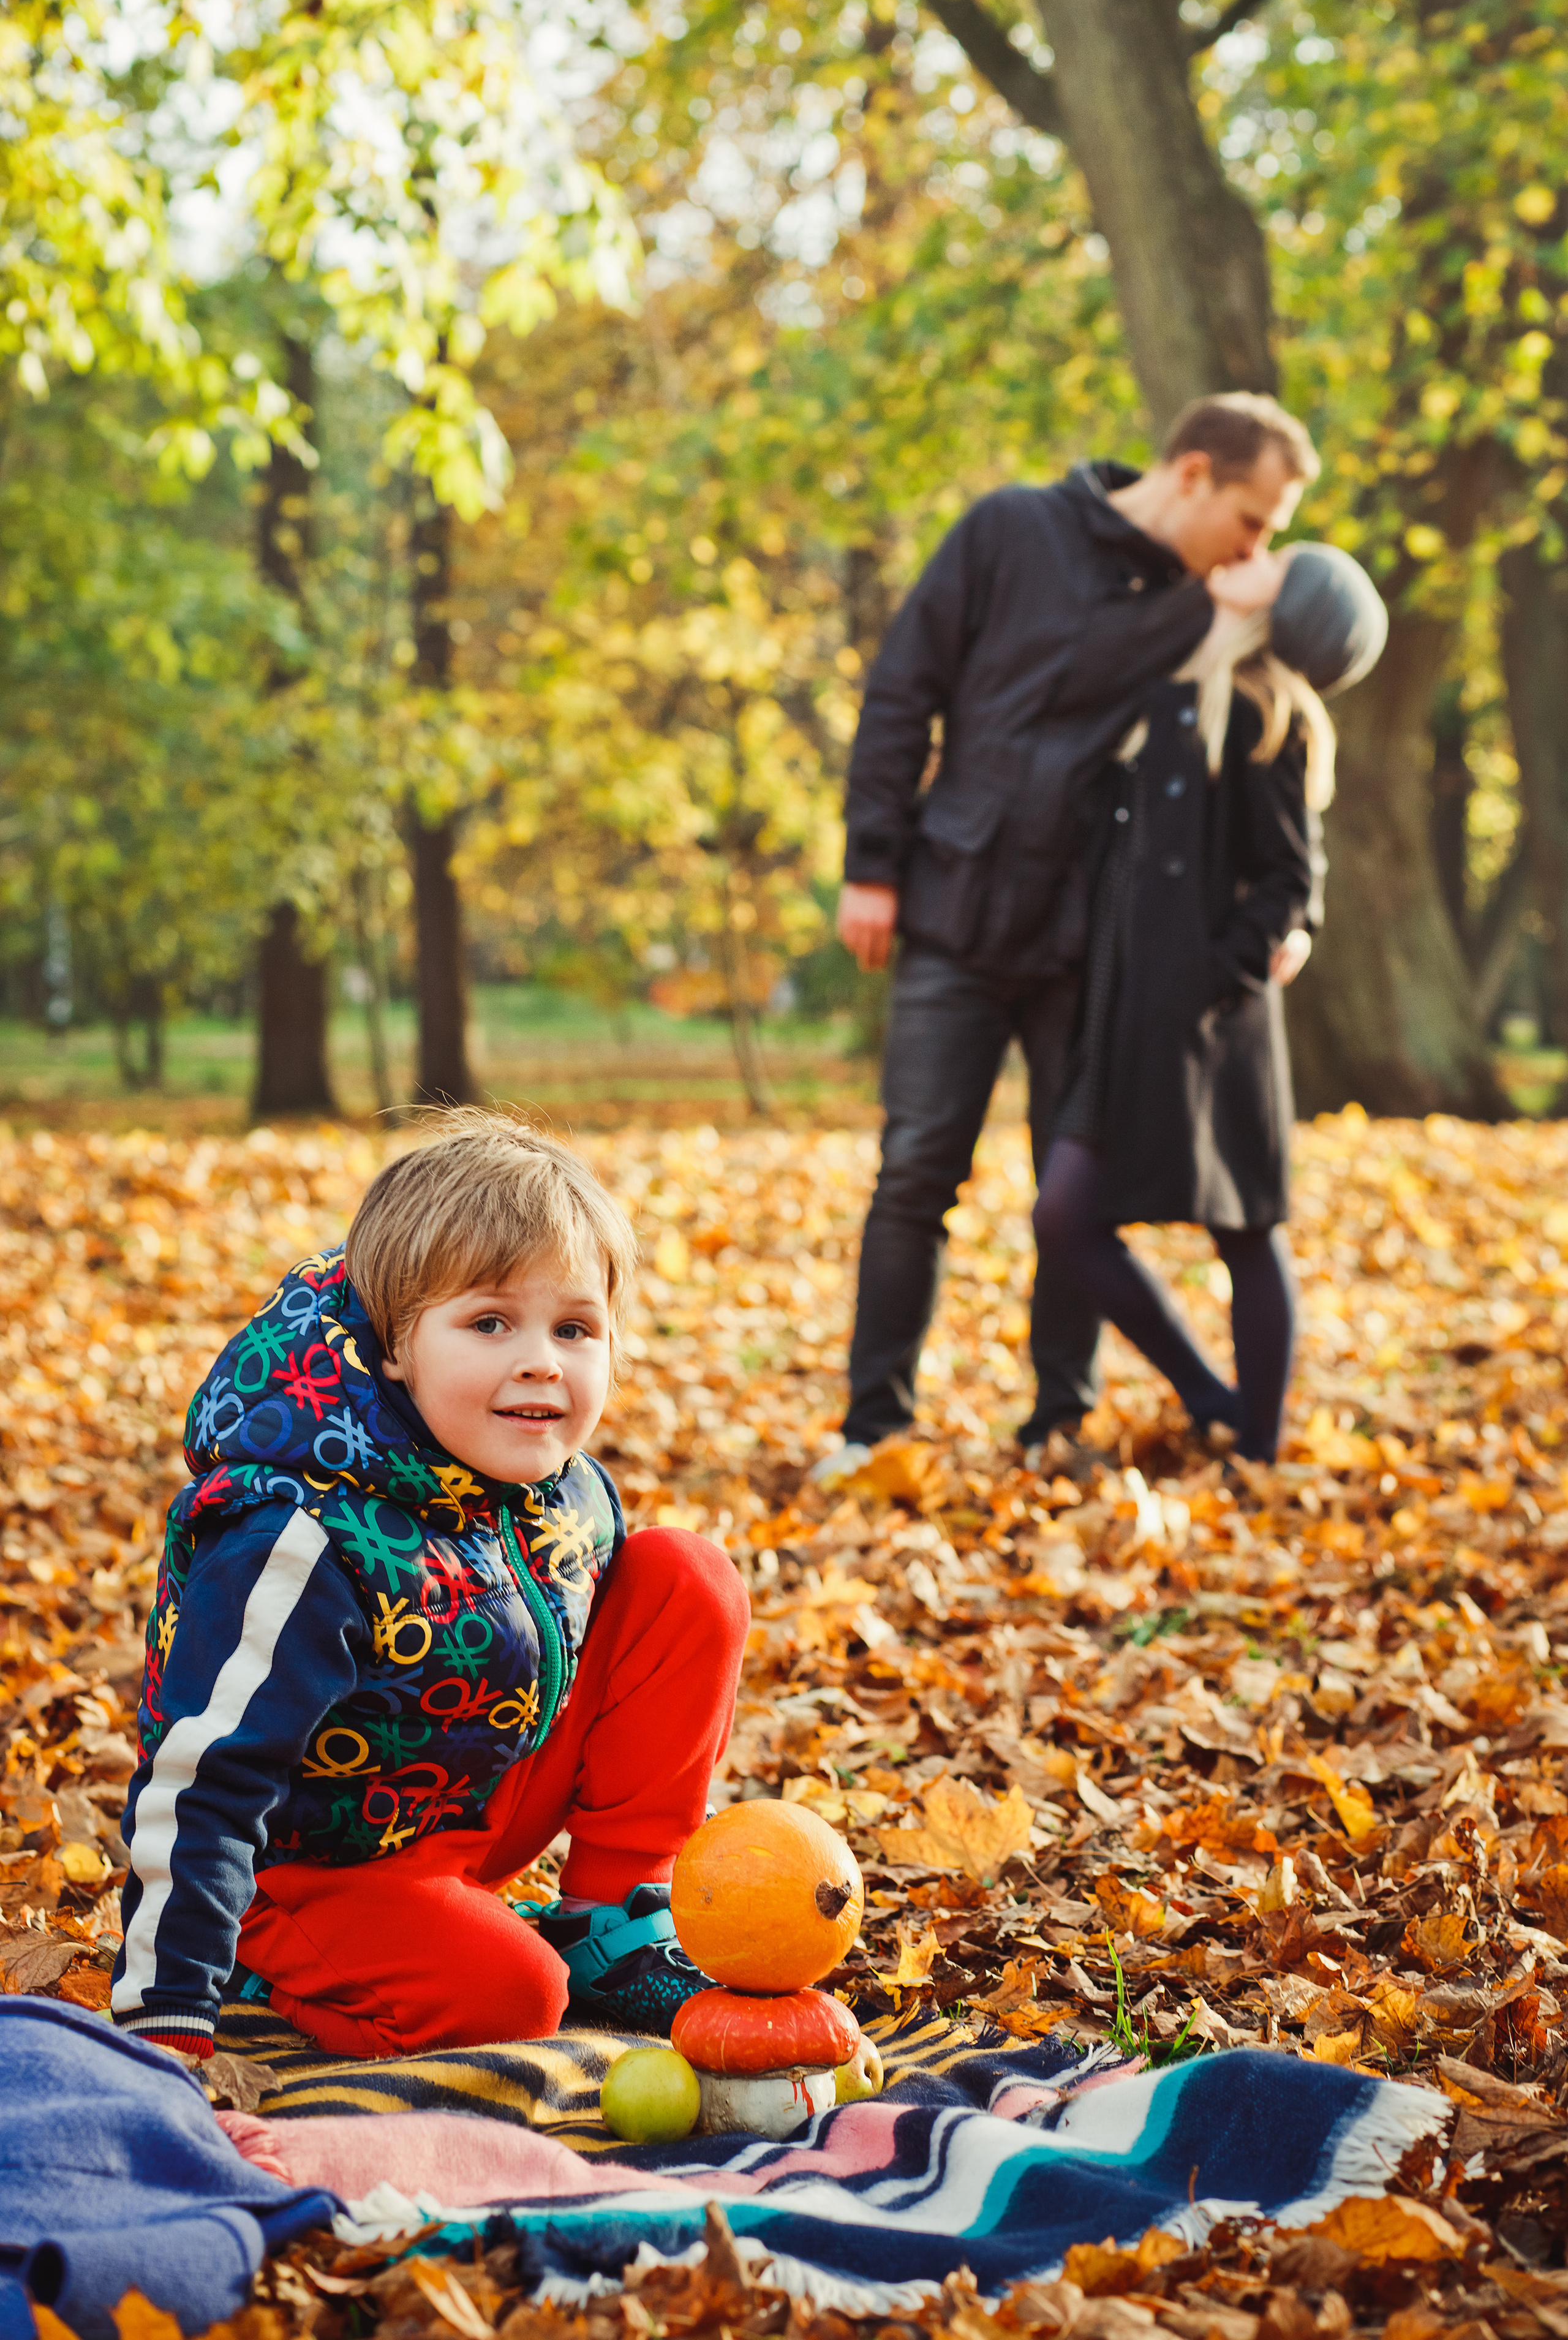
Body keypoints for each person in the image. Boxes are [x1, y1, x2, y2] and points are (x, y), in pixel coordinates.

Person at [110, 1115, 750, 2062]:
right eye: (490, 1323)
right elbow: (199, 1781)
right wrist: (166, 2021)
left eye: (574, 1328)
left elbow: (607, 1665)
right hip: (310, 1866)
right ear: (395, 1345)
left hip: (467, 1793)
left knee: (685, 1575)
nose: (541, 1359)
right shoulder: (301, 1536)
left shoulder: (548, 1485)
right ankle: (270, 1966)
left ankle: (613, 1922)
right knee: (514, 1999)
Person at [818, 393, 1320, 1487]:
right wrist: (874, 860)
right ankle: (874, 1427)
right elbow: (905, 689)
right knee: (914, 1173)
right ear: (1191, 473)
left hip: (1093, 951)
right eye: (1253, 519)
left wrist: (1294, 917)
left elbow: (1263, 780)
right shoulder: (1011, 531)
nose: (1257, 550)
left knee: (1066, 1189)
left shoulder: (1211, 607)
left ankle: (1061, 1421)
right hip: (956, 909)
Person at [1031, 543, 1387, 1463]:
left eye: (1279, 562)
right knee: (1065, 1216)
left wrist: (1211, 976)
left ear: (1293, 609)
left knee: (1245, 1226)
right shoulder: (1173, 684)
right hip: (1125, 1020)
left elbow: (1289, 878)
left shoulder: (1272, 716)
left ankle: (1258, 1445)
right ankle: (1209, 1394)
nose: (1252, 554)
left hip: (1215, 1026)